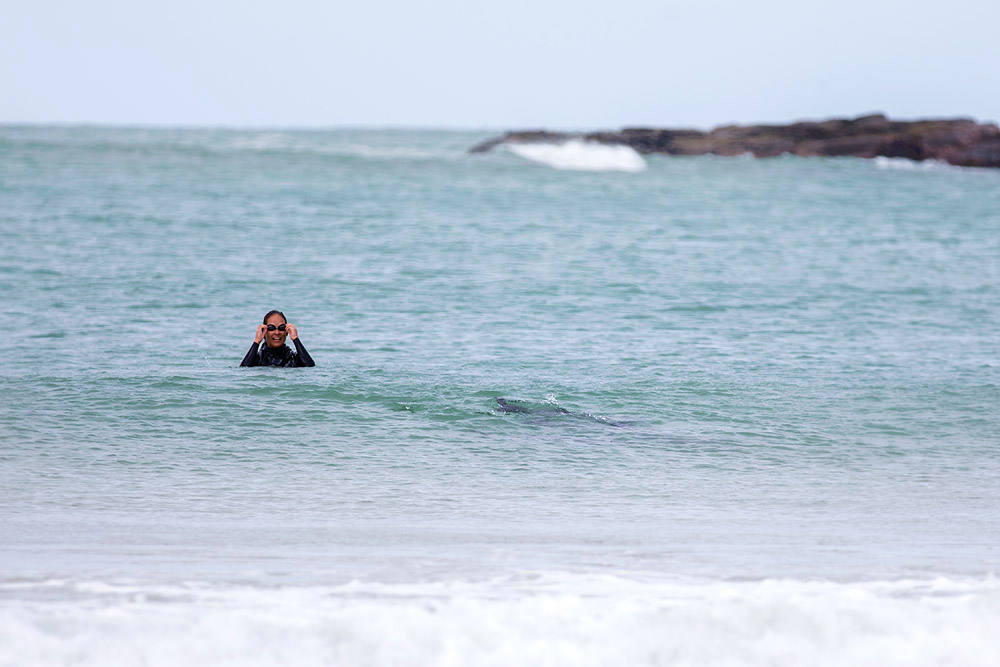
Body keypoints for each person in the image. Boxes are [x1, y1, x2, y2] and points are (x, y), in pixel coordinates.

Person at [240, 310, 315, 367]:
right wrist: (256, 342)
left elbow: (310, 367)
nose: (277, 332)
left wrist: (295, 339)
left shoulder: (292, 359)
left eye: (281, 328)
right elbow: (244, 369)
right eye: (271, 328)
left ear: (286, 332)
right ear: (264, 331)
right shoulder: (258, 359)